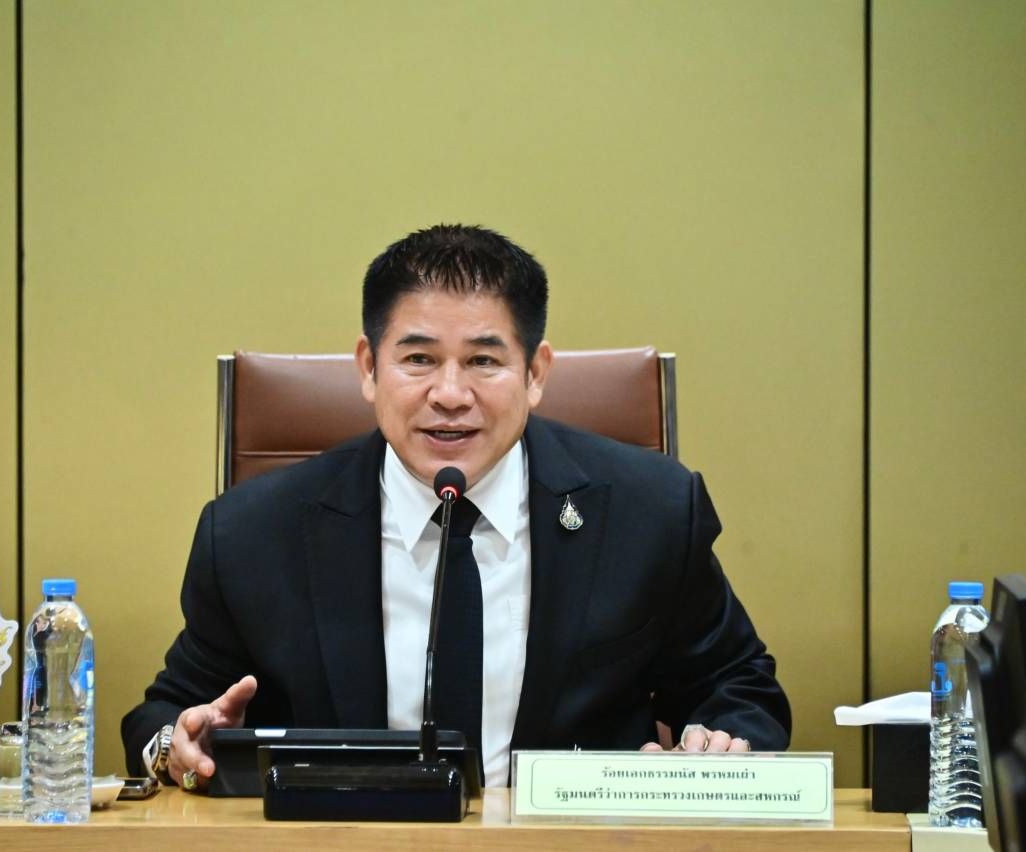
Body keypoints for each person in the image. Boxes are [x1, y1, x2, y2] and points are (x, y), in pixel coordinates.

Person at [122, 224, 791, 788]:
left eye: (483, 362)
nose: (449, 394)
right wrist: (176, 746)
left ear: (535, 374)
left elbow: (739, 688)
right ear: (368, 368)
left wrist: (718, 742)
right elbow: (167, 715)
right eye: (418, 359)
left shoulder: (650, 512)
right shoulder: (252, 532)